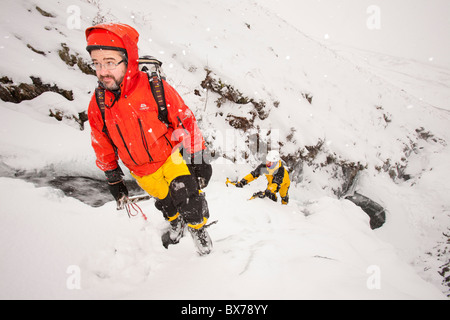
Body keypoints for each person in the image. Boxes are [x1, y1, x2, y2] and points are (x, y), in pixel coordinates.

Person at [85, 23, 212, 255]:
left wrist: (199, 157)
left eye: (110, 62)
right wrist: (113, 177)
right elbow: (101, 142)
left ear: (128, 60)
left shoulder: (155, 88)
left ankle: (198, 229)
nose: (103, 71)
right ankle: (175, 222)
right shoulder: (99, 103)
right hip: (140, 170)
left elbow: (185, 121)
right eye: (97, 63)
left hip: (169, 158)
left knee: (189, 198)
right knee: (166, 203)